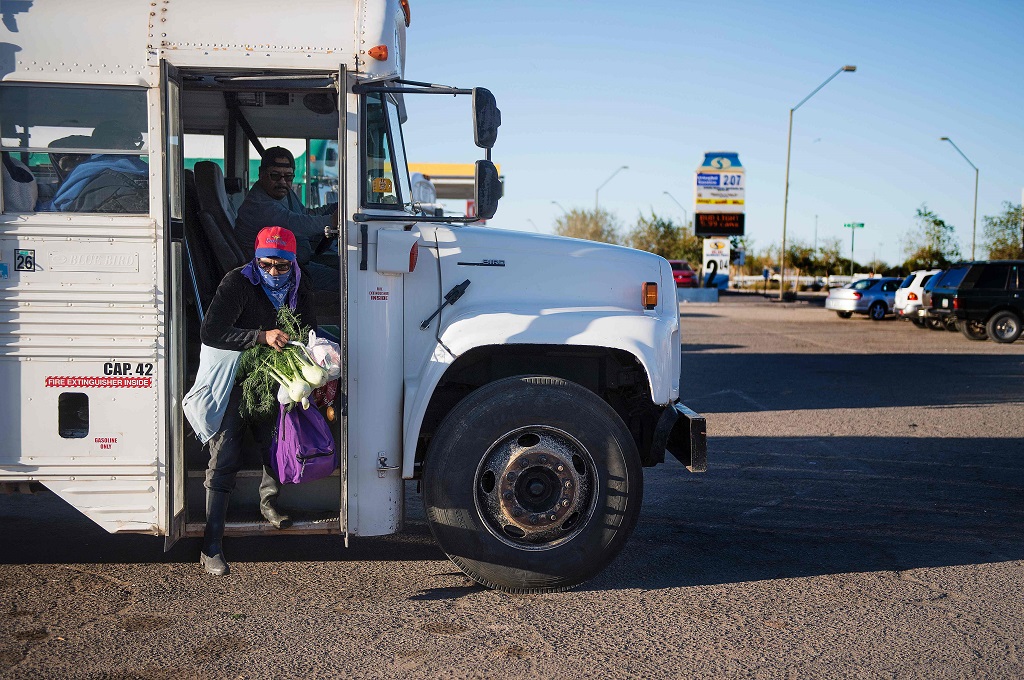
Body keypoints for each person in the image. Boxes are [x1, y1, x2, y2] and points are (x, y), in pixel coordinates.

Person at [198, 226, 319, 576]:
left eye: (282, 266)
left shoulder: (301, 284)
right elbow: (212, 331)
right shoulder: (237, 282)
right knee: (224, 455)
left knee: (274, 444)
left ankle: (268, 503)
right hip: (236, 377)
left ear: (293, 263)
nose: (274, 273)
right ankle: (211, 546)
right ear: (255, 260)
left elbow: (308, 329)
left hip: (274, 377)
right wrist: (260, 336)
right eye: (266, 265)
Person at [235, 147, 339, 291]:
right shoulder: (259, 205)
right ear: (261, 174)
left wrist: (336, 208)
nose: (283, 182)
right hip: (271, 276)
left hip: (293, 264)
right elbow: (296, 224)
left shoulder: (283, 193)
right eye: (275, 176)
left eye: (288, 177)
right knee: (345, 283)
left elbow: (305, 214)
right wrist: (332, 221)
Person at [51, 120, 148, 213]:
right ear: (110, 143)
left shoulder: (84, 170)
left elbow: (61, 207)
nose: (135, 148)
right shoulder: (143, 173)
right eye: (130, 142)